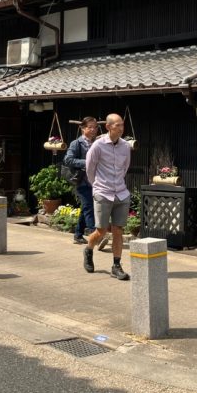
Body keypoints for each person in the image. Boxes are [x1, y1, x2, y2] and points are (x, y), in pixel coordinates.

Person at [83, 113, 132, 280]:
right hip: (103, 192)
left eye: (122, 125)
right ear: (108, 127)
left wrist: (117, 183)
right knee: (101, 230)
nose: (121, 128)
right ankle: (88, 249)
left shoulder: (125, 146)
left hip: (121, 193)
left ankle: (116, 266)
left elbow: (125, 167)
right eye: (118, 125)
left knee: (118, 230)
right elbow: (90, 169)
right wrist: (97, 186)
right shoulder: (98, 145)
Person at [63, 116, 97, 244]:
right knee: (89, 207)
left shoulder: (96, 143)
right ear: (83, 128)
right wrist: (87, 162)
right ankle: (95, 235)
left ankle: (78, 234)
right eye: (90, 127)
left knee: (86, 208)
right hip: (82, 181)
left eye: (95, 127)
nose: (93, 130)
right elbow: (68, 160)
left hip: (95, 181)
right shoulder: (76, 143)